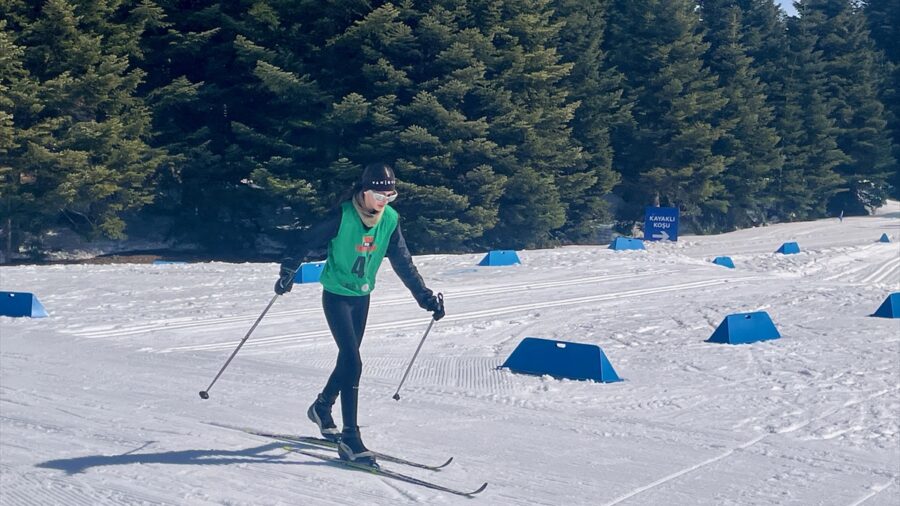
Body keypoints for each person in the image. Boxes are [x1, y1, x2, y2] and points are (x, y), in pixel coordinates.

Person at [274, 162, 445, 467]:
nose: (383, 202)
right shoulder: (342, 216)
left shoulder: (390, 220)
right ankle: (351, 438)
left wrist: (425, 297)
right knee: (353, 361)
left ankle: (322, 408)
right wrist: (289, 269)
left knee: (347, 360)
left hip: (362, 297)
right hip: (337, 296)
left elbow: (403, 261)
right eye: (378, 195)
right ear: (363, 192)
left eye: (389, 196)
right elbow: (303, 241)